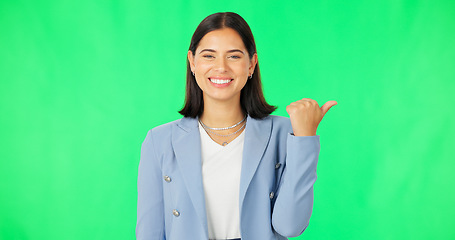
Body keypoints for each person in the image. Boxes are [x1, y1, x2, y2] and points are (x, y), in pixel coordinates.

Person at [136, 12, 337, 240]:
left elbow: (289, 226)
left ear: (251, 64)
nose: (221, 67)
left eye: (233, 56)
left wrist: (305, 139)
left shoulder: (284, 134)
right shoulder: (159, 140)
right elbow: (149, 233)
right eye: (209, 56)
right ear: (192, 62)